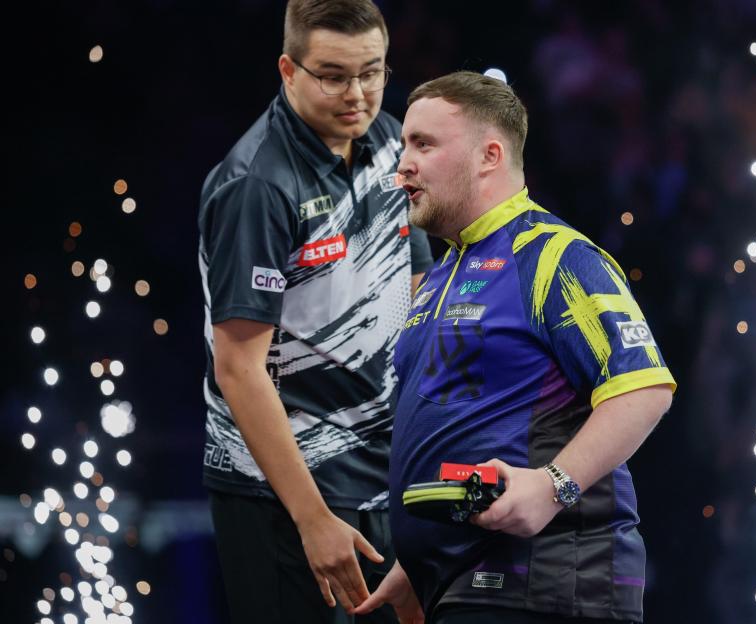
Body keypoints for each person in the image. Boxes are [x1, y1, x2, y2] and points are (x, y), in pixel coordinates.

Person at [355, 71, 676, 623]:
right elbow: (464, 419)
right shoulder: (438, 276)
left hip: (548, 582)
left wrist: (553, 487)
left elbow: (644, 390)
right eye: (404, 144)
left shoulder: (556, 256)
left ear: (489, 156)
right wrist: (417, 557)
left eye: (424, 144)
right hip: (466, 584)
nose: (402, 163)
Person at [196, 1, 433, 622]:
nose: (357, 94)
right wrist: (312, 518)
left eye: (372, 72)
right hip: (284, 496)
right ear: (288, 70)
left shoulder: (389, 140)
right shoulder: (258, 185)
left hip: (383, 476)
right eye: (332, 75)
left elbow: (418, 284)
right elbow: (238, 369)